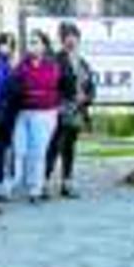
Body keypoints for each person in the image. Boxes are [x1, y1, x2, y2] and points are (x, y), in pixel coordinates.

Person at [6, 30, 61, 203]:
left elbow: (49, 86)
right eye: (30, 42)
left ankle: (35, 190)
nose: (32, 46)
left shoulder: (51, 66)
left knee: (37, 152)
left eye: (36, 42)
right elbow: (13, 86)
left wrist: (31, 91)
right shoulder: (22, 65)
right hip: (23, 113)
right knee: (19, 149)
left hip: (44, 114)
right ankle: (12, 183)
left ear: (44, 46)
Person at [45, 22, 96, 198]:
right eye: (67, 36)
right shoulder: (55, 59)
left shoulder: (82, 62)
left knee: (69, 147)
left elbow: (91, 87)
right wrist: (62, 101)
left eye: (74, 36)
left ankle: (67, 183)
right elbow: (51, 85)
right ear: (62, 39)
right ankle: (44, 182)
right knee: (54, 145)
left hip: (77, 111)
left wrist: (86, 98)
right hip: (60, 110)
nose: (71, 39)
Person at [0, 33, 17, 199]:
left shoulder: (11, 65)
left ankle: (2, 181)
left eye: (10, 44)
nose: (6, 47)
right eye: (4, 44)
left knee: (5, 148)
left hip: (9, 112)